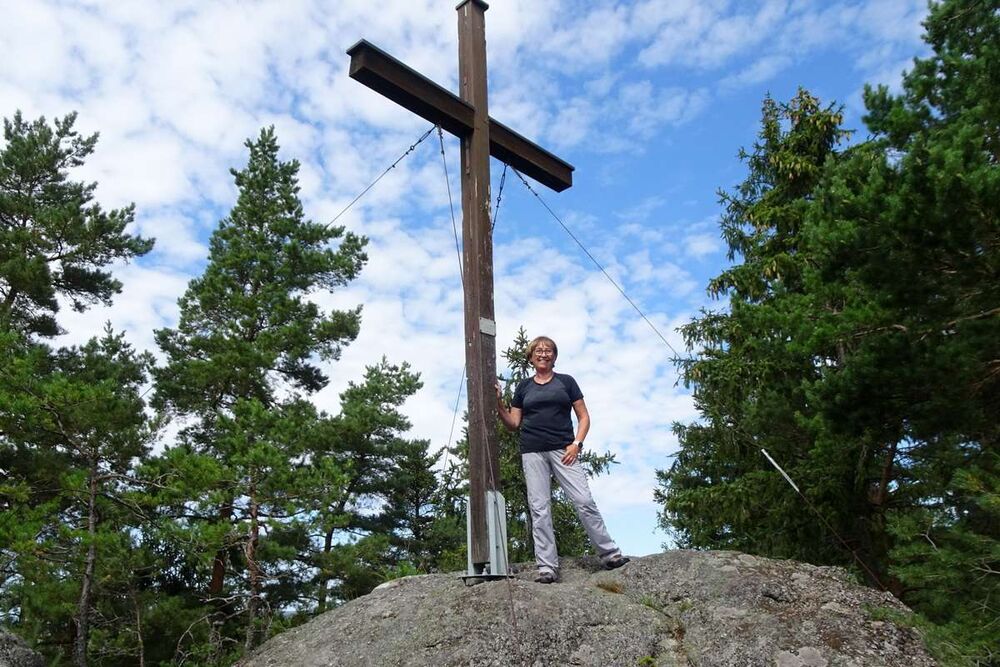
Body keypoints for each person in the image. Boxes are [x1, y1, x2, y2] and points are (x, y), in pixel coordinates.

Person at [496, 335, 629, 584]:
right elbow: (513, 423)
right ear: (531, 357)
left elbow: (584, 417)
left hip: (564, 450)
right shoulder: (524, 387)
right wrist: (499, 404)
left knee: (584, 500)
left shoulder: (566, 382)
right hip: (532, 451)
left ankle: (610, 554)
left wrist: (576, 444)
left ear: (554, 356)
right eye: (538, 350)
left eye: (548, 350)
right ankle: (547, 568)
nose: (543, 354)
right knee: (539, 509)